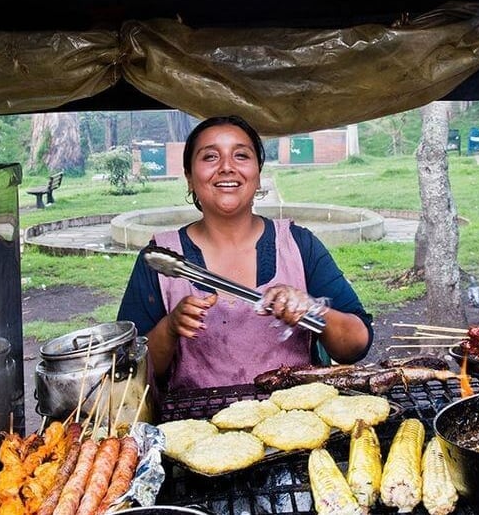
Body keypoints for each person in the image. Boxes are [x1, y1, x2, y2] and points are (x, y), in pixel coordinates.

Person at [117, 115, 373, 395]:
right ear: (189, 177)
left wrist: (312, 309)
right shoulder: (161, 259)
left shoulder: (299, 246)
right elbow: (128, 370)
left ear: (258, 174)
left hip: (297, 421)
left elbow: (357, 344)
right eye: (210, 157)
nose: (227, 167)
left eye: (241, 155)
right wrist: (169, 328)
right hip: (194, 430)